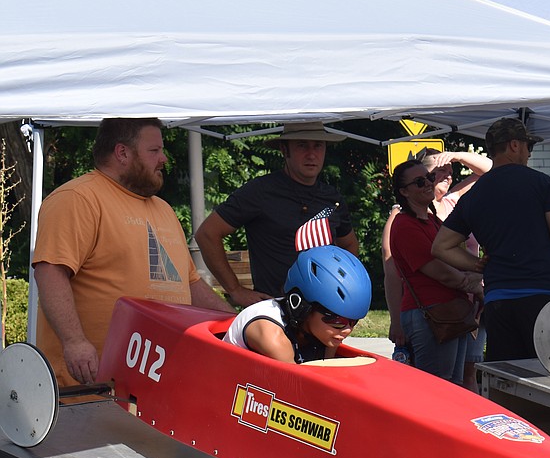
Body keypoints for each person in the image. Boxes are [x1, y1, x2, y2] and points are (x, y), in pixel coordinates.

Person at [32, 118, 235, 387]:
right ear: (122, 153)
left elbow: (190, 285)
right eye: (154, 151)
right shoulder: (78, 199)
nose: (163, 159)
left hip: (156, 387)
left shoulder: (164, 210)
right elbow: (50, 272)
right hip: (88, 388)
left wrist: (237, 324)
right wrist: (74, 341)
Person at [432, 117, 550, 362]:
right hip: (542, 297)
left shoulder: (474, 194)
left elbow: (440, 246)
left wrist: (475, 264)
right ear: (514, 145)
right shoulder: (540, 183)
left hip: (499, 302)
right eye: (529, 146)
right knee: (548, 378)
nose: (529, 153)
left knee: (508, 381)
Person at [195, 121, 360, 307]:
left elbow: (350, 245)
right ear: (284, 149)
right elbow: (207, 234)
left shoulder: (332, 197)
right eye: (302, 145)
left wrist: (341, 285)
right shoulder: (260, 192)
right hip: (275, 310)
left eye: (318, 145)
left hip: (324, 311)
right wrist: (235, 290)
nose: (311, 154)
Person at [381, 148, 492, 387]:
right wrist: (474, 279)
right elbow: (438, 270)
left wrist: (476, 273)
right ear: (404, 192)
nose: (428, 184)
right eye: (420, 181)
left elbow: (490, 170)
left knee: (456, 384)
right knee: (438, 387)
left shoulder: (432, 219)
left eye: (429, 179)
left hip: (452, 311)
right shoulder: (404, 224)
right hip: (431, 314)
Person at [226, 245, 371, 364]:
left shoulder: (325, 334)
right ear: (301, 307)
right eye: (337, 321)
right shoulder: (272, 335)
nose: (347, 330)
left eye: (353, 322)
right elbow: (302, 389)